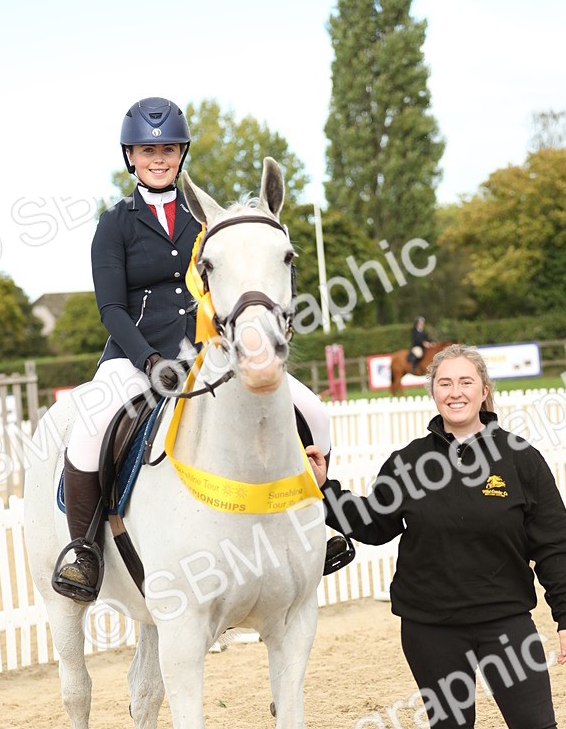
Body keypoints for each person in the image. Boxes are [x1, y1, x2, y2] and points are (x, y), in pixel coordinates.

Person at [306, 343, 566, 729]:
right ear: (433, 392)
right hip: (430, 625)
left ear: (484, 391)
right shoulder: (412, 461)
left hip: (506, 623)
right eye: (445, 383)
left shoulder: (520, 458)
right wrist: (325, 488)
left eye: (466, 382)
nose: (456, 392)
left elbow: (553, 543)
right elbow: (370, 523)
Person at [53, 95, 347, 603]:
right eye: (148, 151)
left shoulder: (206, 219)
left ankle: (313, 527)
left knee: (314, 413)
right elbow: (112, 310)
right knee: (88, 431)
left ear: (182, 153)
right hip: (134, 358)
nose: (159, 158)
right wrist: (148, 360)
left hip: (209, 354)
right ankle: (84, 550)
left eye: (168, 149)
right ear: (130, 158)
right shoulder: (114, 224)